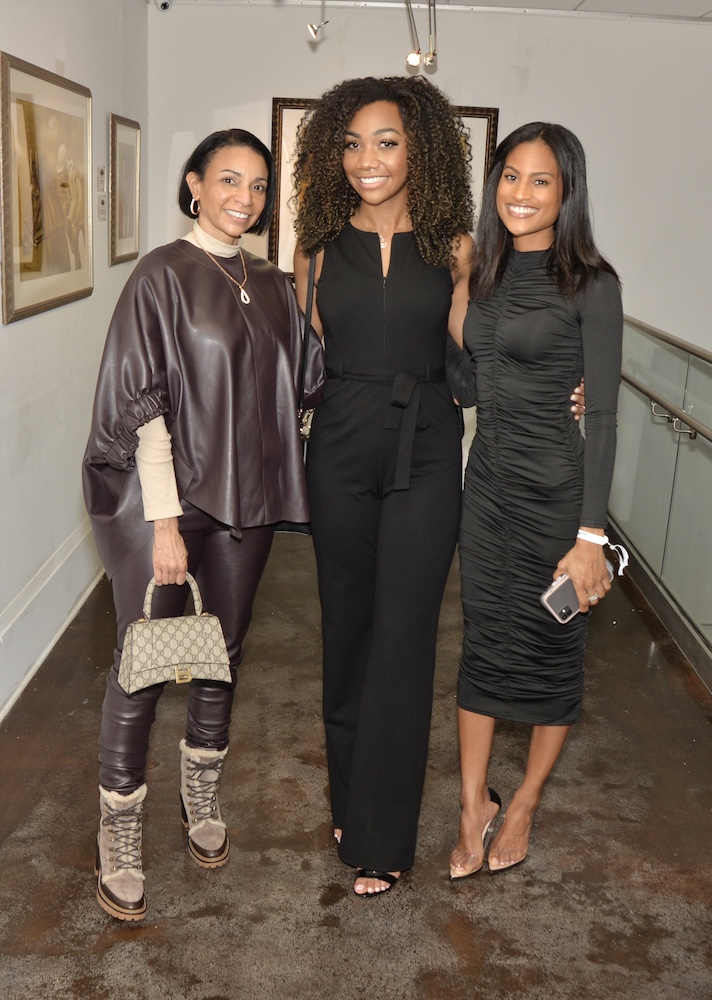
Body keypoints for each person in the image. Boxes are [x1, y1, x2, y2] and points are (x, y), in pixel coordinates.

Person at [292, 77, 584, 896]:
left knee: (405, 633)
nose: (367, 160)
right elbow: (300, 358)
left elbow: (484, 349)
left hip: (424, 447)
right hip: (341, 448)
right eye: (350, 144)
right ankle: (349, 794)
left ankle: (382, 837)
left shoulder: (457, 246)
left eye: (386, 142)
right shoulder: (312, 252)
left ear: (417, 147)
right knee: (346, 628)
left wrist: (572, 383)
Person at [83, 128, 323, 920]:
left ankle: (201, 793)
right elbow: (142, 405)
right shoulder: (163, 275)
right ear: (194, 183)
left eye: (258, 186)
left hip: (247, 507)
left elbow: (307, 381)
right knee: (146, 658)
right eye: (228, 181)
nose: (244, 199)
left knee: (221, 652)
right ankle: (118, 825)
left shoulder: (272, 281)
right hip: (172, 507)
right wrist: (162, 523)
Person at [449, 123, 622, 880]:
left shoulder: (593, 284)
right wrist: (458, 274)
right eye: (509, 176)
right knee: (481, 644)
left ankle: (522, 802)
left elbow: (606, 412)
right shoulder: (482, 274)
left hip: (558, 502)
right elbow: (466, 375)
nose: (520, 193)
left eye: (540, 180)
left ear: (567, 191)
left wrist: (590, 534)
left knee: (553, 650)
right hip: (485, 491)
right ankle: (470, 808)